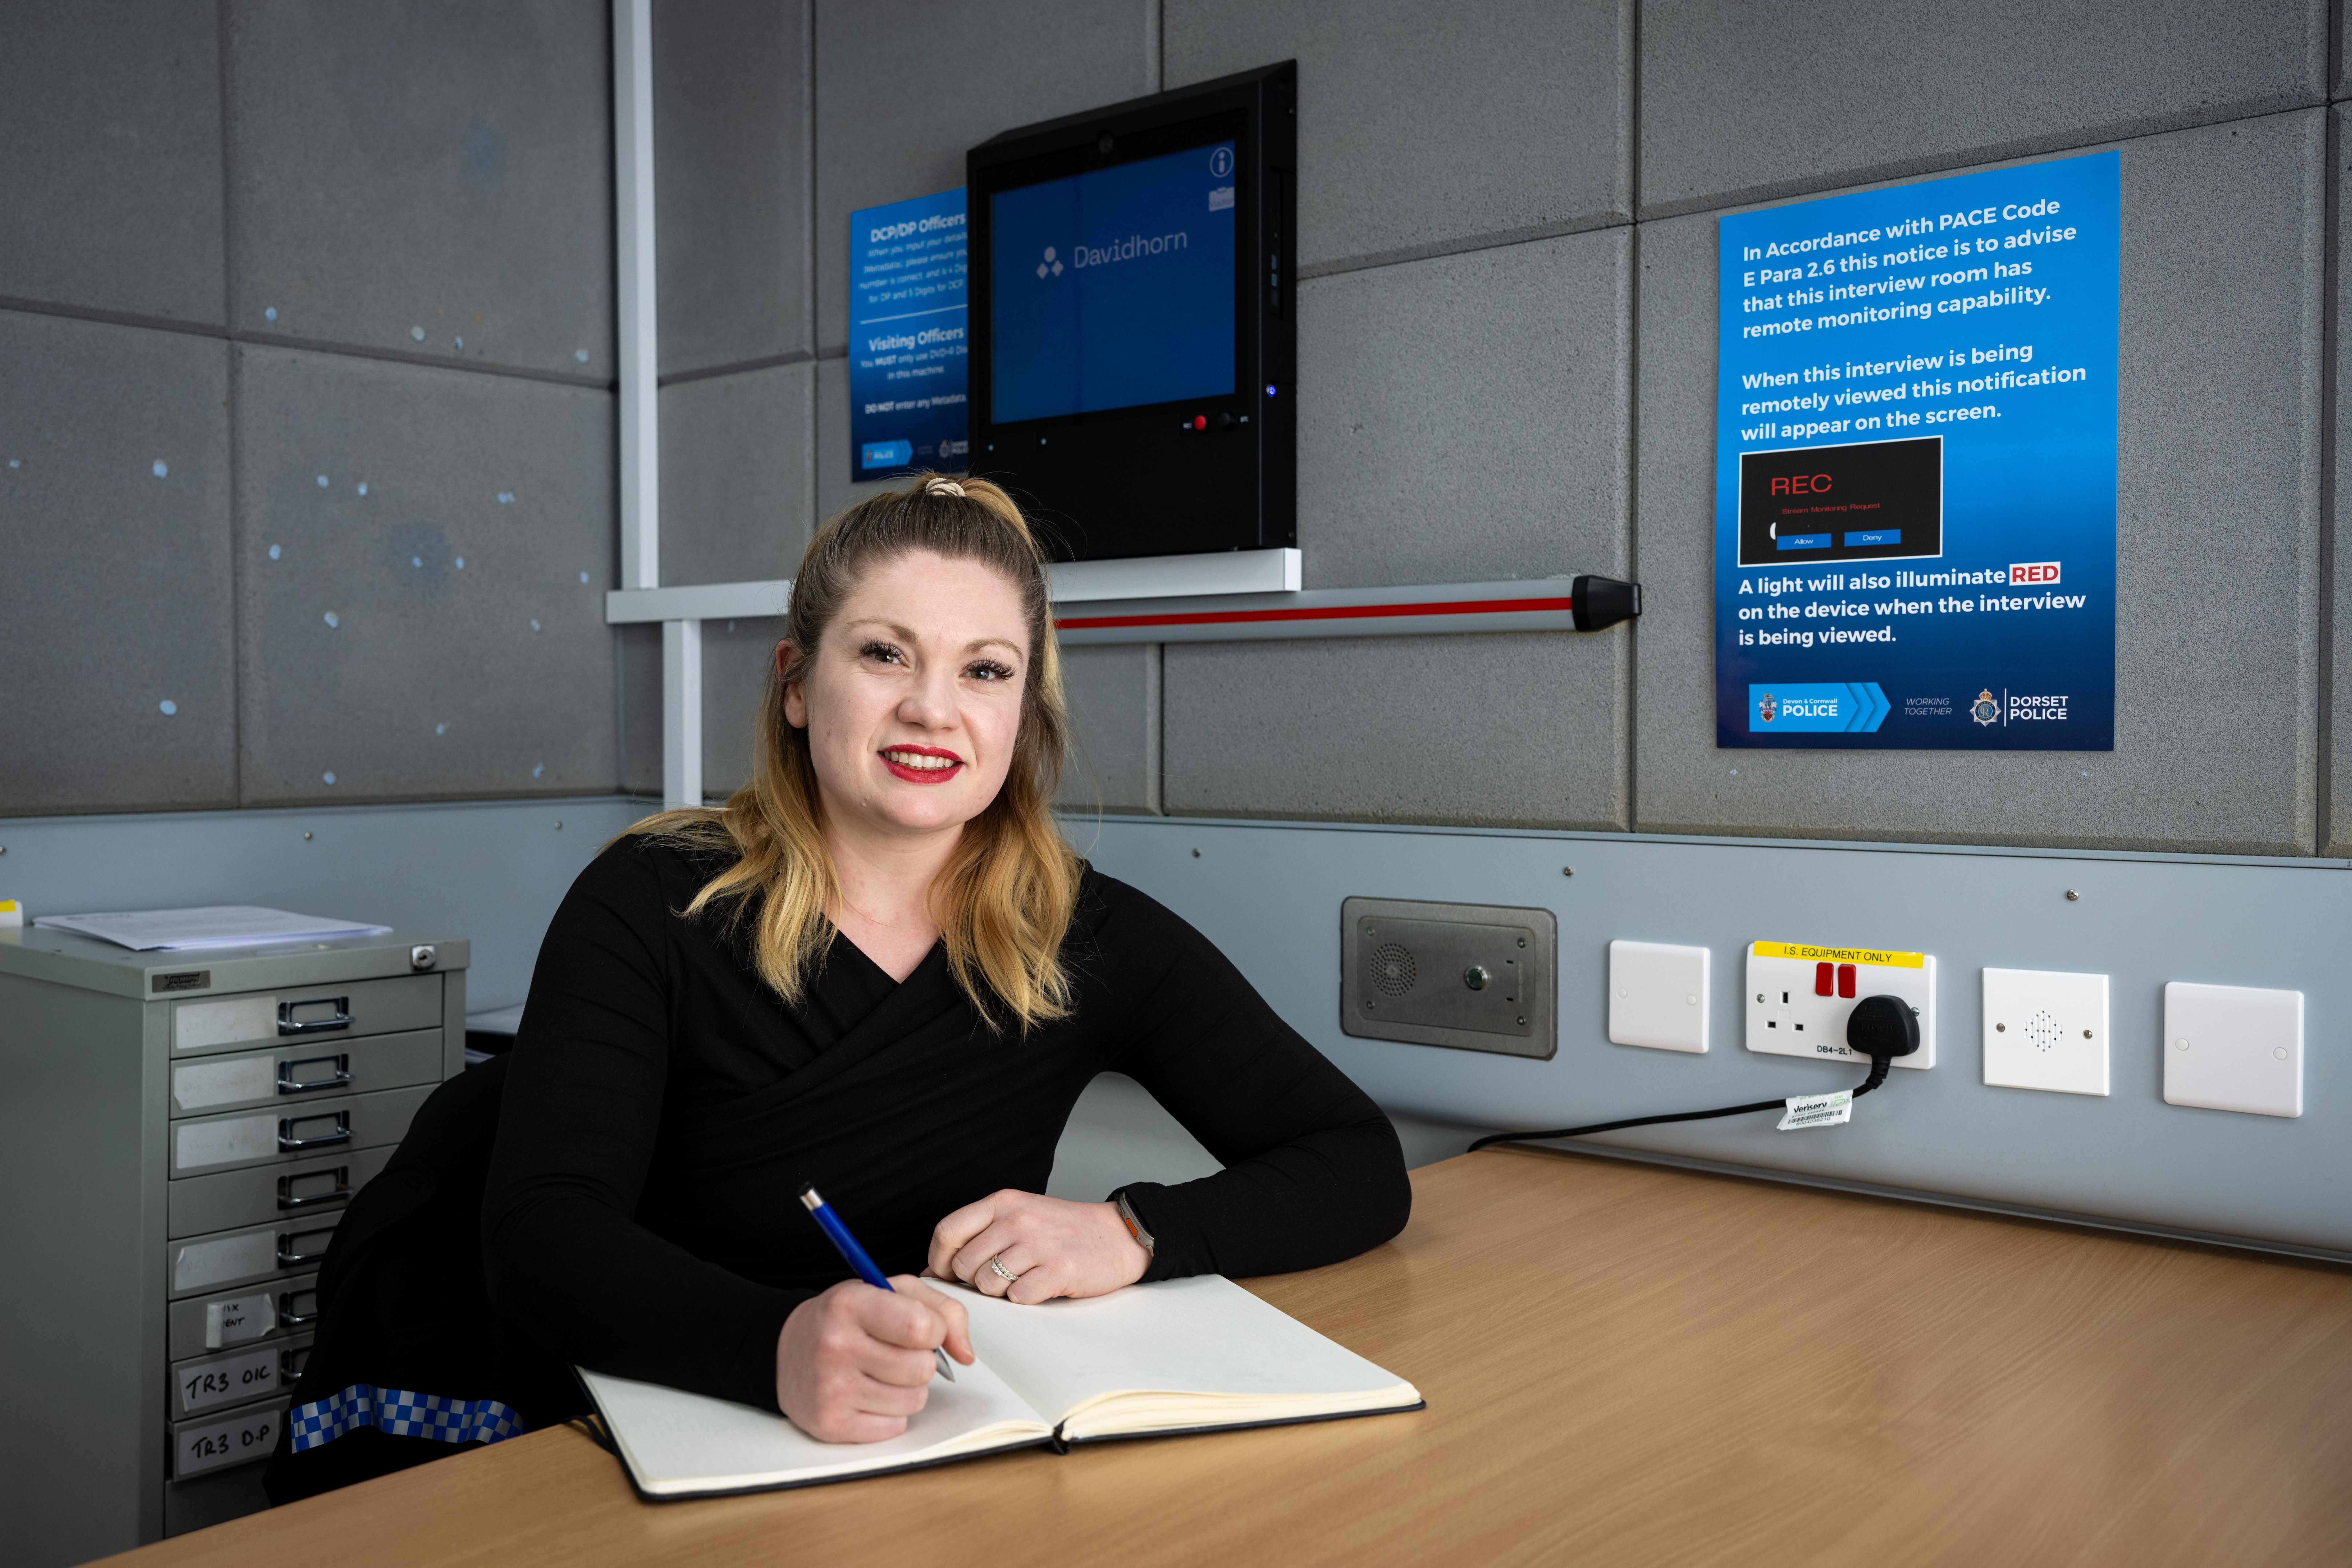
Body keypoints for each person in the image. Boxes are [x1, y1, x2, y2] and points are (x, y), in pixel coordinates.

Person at [481, 474, 1411, 1443]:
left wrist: (1132, 1231)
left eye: (985, 670)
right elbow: (542, 1234)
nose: (933, 708)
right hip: (649, 1423)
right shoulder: (650, 897)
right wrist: (775, 1345)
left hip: (924, 1434)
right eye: (886, 653)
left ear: (1023, 709)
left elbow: (1358, 1161)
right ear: (796, 683)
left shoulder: (1084, 931)